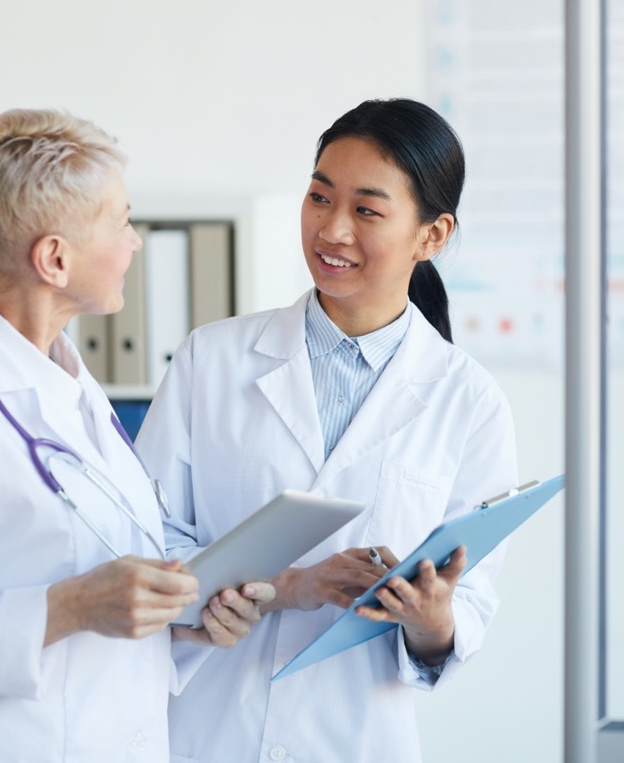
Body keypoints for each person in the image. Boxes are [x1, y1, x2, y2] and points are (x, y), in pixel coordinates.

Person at [0, 108, 271, 762]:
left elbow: (103, 595)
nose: (135, 242)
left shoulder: (71, 390)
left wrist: (186, 623)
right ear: (54, 257)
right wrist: (69, 607)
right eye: (122, 221)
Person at [135, 98, 519, 762]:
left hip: (354, 735)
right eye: (319, 197)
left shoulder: (469, 402)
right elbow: (147, 534)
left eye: (367, 210)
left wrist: (430, 620)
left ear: (431, 236)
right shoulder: (213, 358)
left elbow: (467, 610)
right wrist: (278, 587)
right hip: (205, 726)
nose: (332, 229)